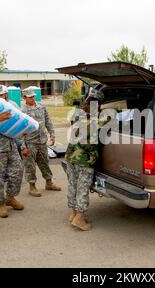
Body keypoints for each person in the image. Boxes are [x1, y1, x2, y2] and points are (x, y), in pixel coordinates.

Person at [65, 88, 105, 231]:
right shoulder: (97, 118)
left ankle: (73, 213)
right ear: (99, 104)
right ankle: (80, 218)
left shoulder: (77, 113)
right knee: (82, 187)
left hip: (71, 156)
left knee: (73, 185)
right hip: (85, 159)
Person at [0, 84, 25, 218]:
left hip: (11, 145)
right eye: (2, 94)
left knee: (18, 171)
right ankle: (0, 204)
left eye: (5, 94)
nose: (5, 96)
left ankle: (10, 197)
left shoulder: (9, 105)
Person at [21, 87, 61, 197]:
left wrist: (52, 134)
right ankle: (32, 186)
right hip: (30, 142)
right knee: (30, 166)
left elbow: (48, 120)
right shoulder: (22, 111)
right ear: (24, 97)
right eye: (30, 97)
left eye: (33, 96)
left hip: (42, 141)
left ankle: (49, 183)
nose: (32, 98)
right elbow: (19, 131)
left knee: (45, 163)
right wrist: (23, 146)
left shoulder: (41, 106)